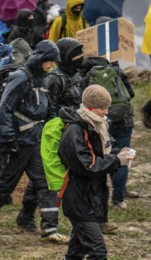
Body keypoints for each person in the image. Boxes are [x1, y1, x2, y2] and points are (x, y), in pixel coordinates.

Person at [0, 40, 68, 243]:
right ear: (41, 59)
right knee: (5, 184)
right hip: (18, 142)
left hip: (36, 140)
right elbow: (4, 109)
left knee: (45, 182)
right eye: (49, 61)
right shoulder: (20, 77)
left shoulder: (42, 78)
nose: (51, 65)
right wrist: (8, 138)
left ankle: (50, 227)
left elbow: (46, 107)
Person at [58, 85, 135, 260]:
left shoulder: (97, 125)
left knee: (75, 253)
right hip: (78, 197)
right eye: (102, 108)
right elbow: (88, 165)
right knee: (98, 251)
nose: (106, 112)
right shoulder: (75, 130)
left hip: (90, 196)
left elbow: (105, 151)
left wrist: (119, 153)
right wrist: (117, 161)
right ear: (90, 107)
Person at [17, 37, 84, 233]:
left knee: (43, 178)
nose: (79, 58)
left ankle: (26, 215)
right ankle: (48, 223)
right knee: (49, 176)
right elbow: (48, 108)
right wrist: (60, 125)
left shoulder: (77, 77)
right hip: (54, 132)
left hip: (73, 130)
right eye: (75, 55)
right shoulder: (54, 78)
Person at [80, 55, 136, 209]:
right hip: (124, 120)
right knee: (122, 157)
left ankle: (99, 199)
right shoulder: (116, 70)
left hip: (99, 121)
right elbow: (130, 93)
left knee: (104, 156)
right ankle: (118, 198)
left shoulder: (85, 76)